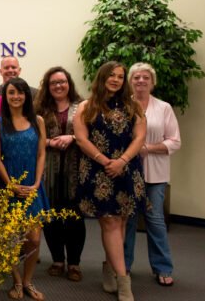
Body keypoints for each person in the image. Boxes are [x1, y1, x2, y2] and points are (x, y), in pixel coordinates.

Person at [74, 61, 146, 301]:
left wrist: (122, 161)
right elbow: (81, 139)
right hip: (98, 171)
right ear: (102, 77)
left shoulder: (132, 105)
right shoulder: (86, 106)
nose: (116, 80)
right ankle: (124, 280)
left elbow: (140, 137)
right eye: (112, 75)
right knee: (111, 223)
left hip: (126, 169)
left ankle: (110, 269)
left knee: (122, 222)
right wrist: (106, 161)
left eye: (120, 76)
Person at [0, 78, 49, 301]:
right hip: (10, 185)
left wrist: (36, 182)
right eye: (12, 92)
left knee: (33, 239)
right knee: (11, 239)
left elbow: (42, 153)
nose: (17, 97)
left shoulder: (38, 121)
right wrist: (11, 185)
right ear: (5, 96)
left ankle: (28, 281)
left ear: (27, 95)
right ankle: (16, 281)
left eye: (21, 92)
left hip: (33, 186)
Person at [124, 62, 181, 287]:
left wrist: (146, 148)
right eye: (136, 77)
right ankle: (123, 266)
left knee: (155, 221)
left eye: (145, 77)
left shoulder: (164, 107)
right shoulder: (122, 105)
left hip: (155, 176)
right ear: (131, 81)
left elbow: (174, 141)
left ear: (152, 82)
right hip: (126, 173)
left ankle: (163, 267)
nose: (141, 81)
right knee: (126, 221)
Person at [34, 67, 86, 282]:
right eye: (53, 82)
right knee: (51, 217)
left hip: (77, 169)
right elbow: (31, 136)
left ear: (69, 83)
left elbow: (90, 133)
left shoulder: (82, 106)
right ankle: (57, 260)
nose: (58, 86)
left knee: (75, 218)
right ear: (47, 86)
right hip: (49, 170)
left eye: (62, 81)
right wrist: (49, 142)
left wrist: (72, 137)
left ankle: (74, 263)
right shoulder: (39, 109)